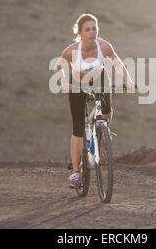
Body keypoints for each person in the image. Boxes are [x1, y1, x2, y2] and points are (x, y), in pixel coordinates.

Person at [54, 13, 135, 188]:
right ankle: (75, 173)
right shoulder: (71, 51)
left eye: (94, 28)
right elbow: (58, 68)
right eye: (87, 29)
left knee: (107, 109)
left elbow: (117, 62)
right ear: (80, 32)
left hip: (99, 79)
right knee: (77, 128)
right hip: (77, 84)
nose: (92, 32)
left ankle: (102, 135)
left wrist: (127, 79)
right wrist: (65, 82)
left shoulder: (104, 46)